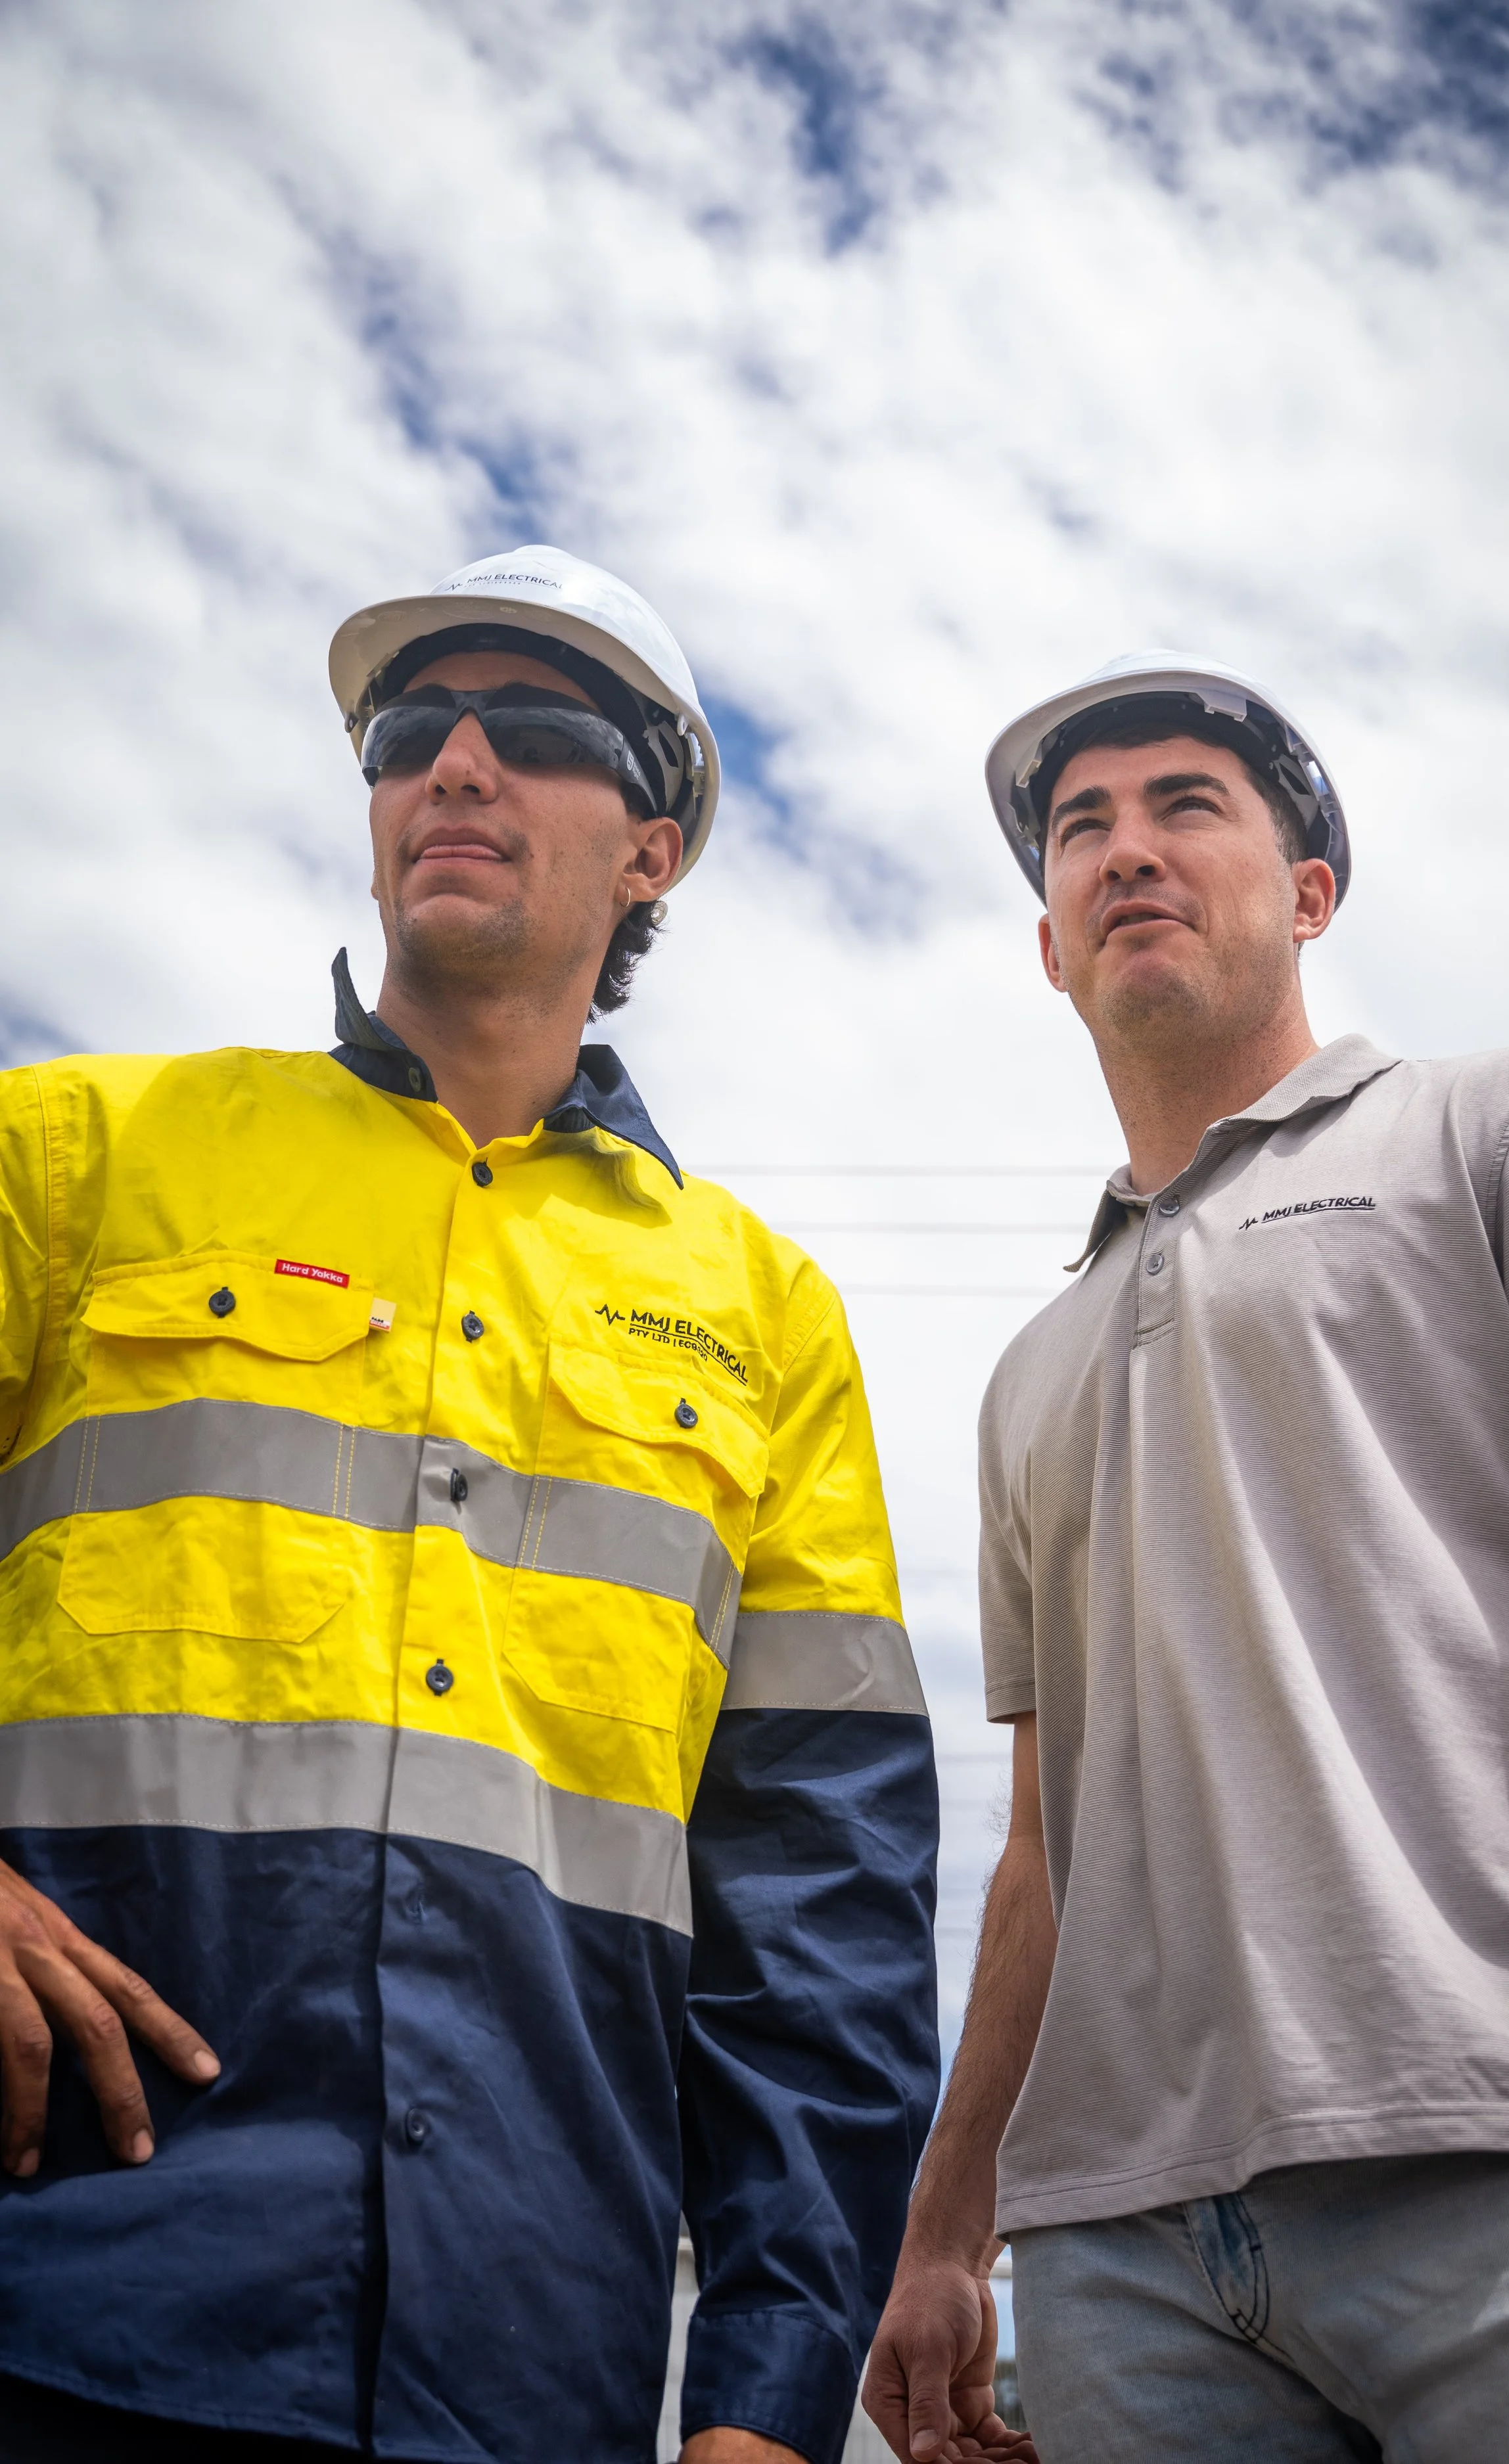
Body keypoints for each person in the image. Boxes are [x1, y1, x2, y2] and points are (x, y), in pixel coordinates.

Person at [0, 545, 939, 2464]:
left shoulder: (765, 1317)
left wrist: (767, 2396)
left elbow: (816, 1893)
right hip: (65, 2286)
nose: (458, 763)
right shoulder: (78, 1155)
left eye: (535, 731)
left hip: (526, 2366)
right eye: (413, 727)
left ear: (651, 846)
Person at [864, 649, 1509, 2462]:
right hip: (1124, 2268)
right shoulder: (1025, 1374)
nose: (1123, 847)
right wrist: (942, 2226)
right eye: (1080, 829)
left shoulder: (1504, 1127)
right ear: (1048, 947)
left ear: (1305, 896)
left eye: (1183, 805)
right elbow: (1045, 1847)